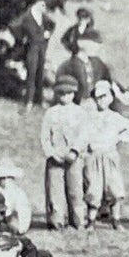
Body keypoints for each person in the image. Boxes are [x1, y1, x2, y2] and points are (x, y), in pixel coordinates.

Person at [81, 79, 129, 227]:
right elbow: (81, 133)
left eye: (104, 96)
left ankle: (116, 220)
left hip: (110, 156)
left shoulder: (115, 117)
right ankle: (91, 221)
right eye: (98, 97)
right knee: (94, 188)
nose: (101, 101)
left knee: (114, 187)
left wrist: (118, 139)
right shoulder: (89, 117)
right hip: (93, 157)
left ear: (111, 97)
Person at [40, 76, 88, 229]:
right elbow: (45, 136)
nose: (64, 97)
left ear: (74, 94)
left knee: (75, 190)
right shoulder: (51, 113)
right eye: (61, 93)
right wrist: (52, 153)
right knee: (55, 190)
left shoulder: (80, 113)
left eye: (68, 93)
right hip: (55, 157)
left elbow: (84, 134)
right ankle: (57, 221)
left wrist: (74, 151)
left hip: (74, 157)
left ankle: (78, 221)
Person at [9, 0, 54, 109]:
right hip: (31, 48)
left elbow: (52, 25)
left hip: (42, 49)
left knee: (40, 74)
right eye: (42, 5)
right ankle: (29, 101)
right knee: (31, 73)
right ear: (36, 4)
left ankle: (39, 100)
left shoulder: (43, 17)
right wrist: (22, 39)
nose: (44, 7)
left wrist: (48, 34)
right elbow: (13, 26)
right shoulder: (27, 16)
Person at [0, 157, 33, 235]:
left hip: (15, 222)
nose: (1, 181)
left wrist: (21, 228)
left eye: (4, 178)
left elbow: (23, 212)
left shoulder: (18, 193)